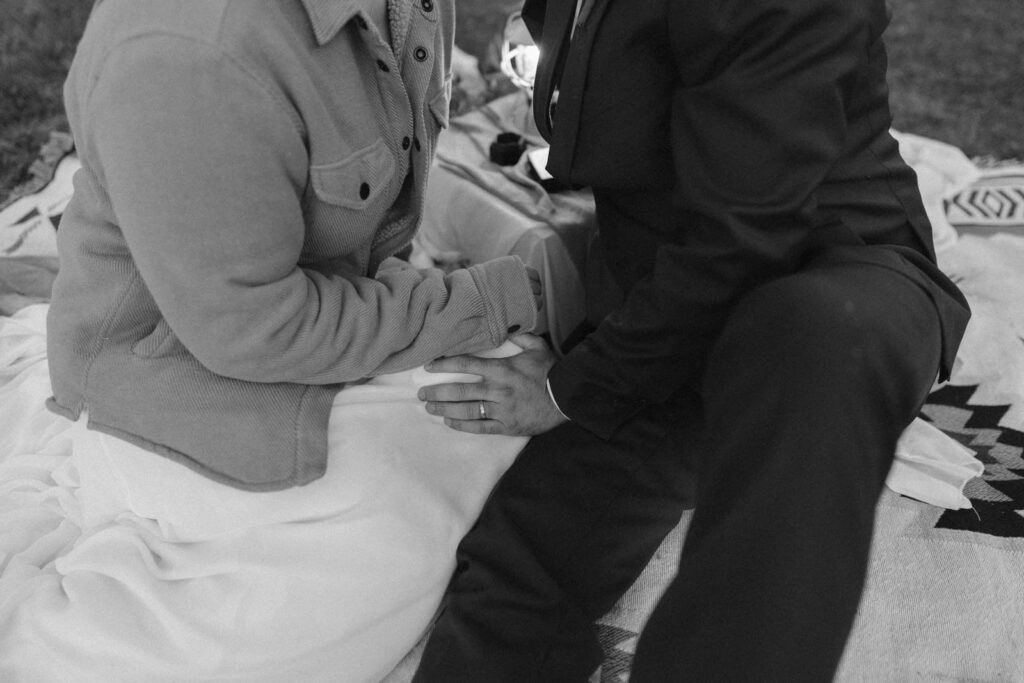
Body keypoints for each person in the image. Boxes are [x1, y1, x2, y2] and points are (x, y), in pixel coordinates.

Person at [413, 0, 972, 680]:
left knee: (807, 342)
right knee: (520, 567)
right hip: (673, 303)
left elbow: (742, 239)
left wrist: (569, 388)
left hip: (837, 278)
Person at [34, 0, 542, 679]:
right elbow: (256, 327)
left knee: (507, 422)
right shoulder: (190, 50)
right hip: (170, 391)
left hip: (308, 326)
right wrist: (496, 298)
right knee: (402, 538)